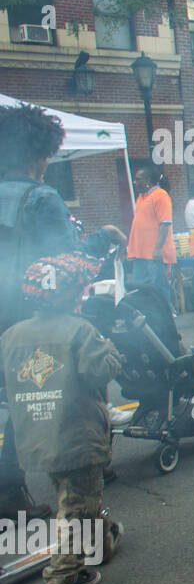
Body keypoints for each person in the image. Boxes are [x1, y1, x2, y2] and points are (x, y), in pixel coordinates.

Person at [0, 103, 123, 518]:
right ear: (41, 154)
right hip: (32, 316)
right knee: (61, 393)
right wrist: (102, 238)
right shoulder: (42, 197)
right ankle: (83, 473)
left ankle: (10, 492)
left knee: (6, 401)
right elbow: (63, 262)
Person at [1, 253, 124, 584]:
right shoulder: (80, 331)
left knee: (73, 497)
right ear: (73, 295)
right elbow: (101, 371)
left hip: (36, 437)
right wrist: (111, 348)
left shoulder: (11, 335)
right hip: (76, 437)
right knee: (78, 506)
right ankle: (63, 575)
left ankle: (100, 539)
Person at [126, 167, 177, 304]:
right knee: (138, 289)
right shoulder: (141, 198)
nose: (134, 182)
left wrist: (157, 248)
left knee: (158, 289)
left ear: (148, 181)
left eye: (138, 179)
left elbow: (165, 224)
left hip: (154, 254)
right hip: (140, 254)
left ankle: (164, 317)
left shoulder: (161, 195)